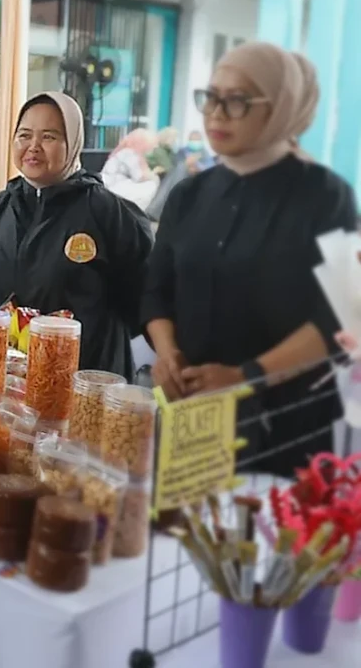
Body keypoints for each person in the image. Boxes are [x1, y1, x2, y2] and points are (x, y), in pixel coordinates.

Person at [143, 42, 356, 478]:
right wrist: (169, 355)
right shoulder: (190, 195)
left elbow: (341, 315)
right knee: (188, 539)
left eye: (237, 100)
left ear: (278, 108)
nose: (216, 113)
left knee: (269, 540)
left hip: (285, 425)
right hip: (194, 412)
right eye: (211, 96)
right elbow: (155, 292)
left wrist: (246, 376)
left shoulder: (325, 196)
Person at [0, 91, 153, 378]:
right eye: (24, 135)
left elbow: (146, 302)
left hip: (83, 386)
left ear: (72, 143)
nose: (33, 147)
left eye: (48, 137)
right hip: (5, 387)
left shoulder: (109, 213)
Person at [101, 127, 161, 211]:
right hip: (113, 188)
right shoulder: (129, 153)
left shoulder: (126, 152)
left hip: (111, 187)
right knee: (151, 185)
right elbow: (139, 176)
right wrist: (154, 175)